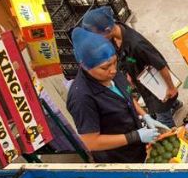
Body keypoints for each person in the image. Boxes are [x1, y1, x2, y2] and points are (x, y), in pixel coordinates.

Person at [66, 28, 168, 163]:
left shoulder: (112, 73)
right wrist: (134, 136)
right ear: (85, 66)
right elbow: (91, 142)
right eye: (105, 67)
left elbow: (127, 96)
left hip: (138, 145)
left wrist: (145, 115)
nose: (113, 70)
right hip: (120, 157)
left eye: (114, 62)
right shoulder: (81, 98)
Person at [80, 6, 181, 128]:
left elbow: (161, 65)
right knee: (161, 102)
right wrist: (130, 74)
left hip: (157, 82)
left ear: (107, 30)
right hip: (143, 79)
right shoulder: (114, 36)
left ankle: (174, 133)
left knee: (163, 119)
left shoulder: (137, 44)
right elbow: (127, 58)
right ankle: (175, 104)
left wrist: (171, 87)